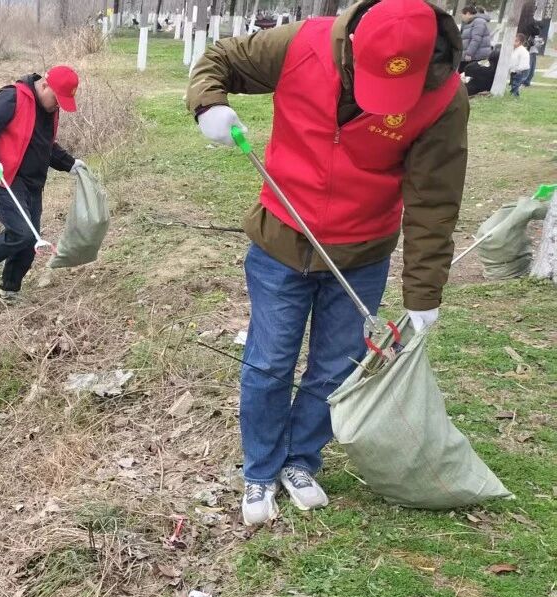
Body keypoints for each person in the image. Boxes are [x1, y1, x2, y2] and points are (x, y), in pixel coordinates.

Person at [188, 0, 469, 526]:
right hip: (282, 241)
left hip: (362, 252)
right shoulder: (302, 44)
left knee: (335, 366)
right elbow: (219, 58)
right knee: (270, 361)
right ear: (355, 46)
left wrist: (424, 293)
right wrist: (208, 105)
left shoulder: (443, 97)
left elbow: (435, 200)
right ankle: (261, 467)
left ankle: (301, 459)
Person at [0, 65, 86, 303]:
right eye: (56, 99)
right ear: (44, 85)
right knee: (20, 232)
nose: (57, 106)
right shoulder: (13, 97)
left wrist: (70, 163)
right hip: (5, 177)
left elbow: (45, 145)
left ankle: (10, 289)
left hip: (33, 181)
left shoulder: (49, 109)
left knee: (31, 240)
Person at [509, 33, 531, 97]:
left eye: (516, 41)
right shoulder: (514, 50)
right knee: (513, 82)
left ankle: (515, 95)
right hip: (514, 70)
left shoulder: (523, 51)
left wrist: (519, 69)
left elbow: (524, 62)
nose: (513, 42)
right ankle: (513, 92)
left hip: (520, 70)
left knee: (516, 83)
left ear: (520, 42)